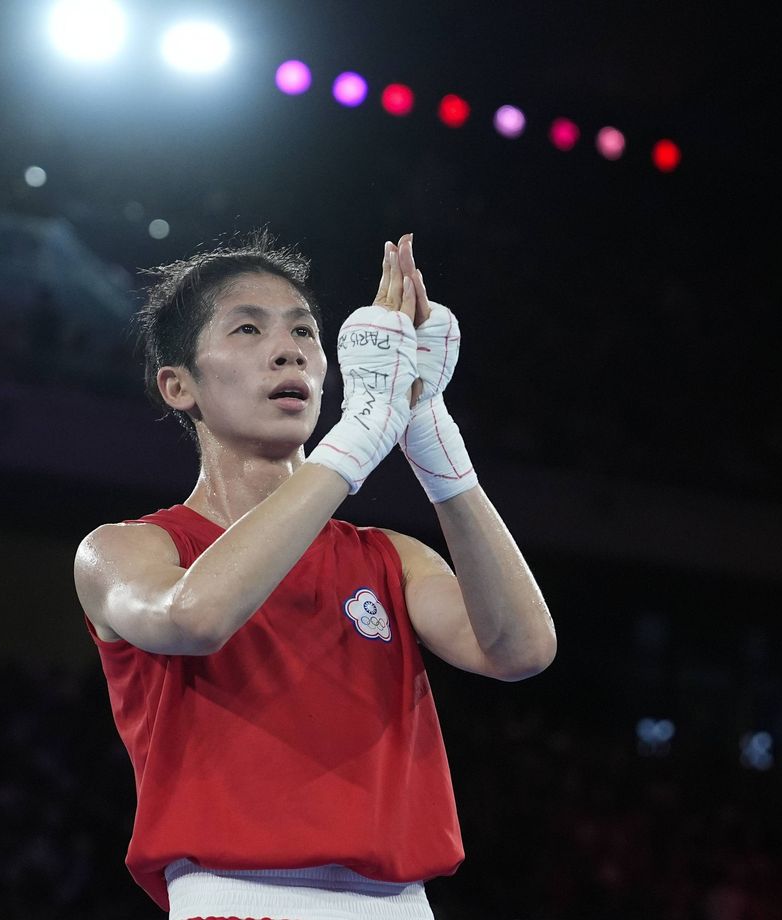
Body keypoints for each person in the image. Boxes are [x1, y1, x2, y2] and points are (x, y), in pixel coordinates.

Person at [73, 230, 556, 920]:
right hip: (240, 903)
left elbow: (520, 651)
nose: (288, 348)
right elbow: (195, 617)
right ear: (179, 385)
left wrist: (430, 434)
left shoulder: (391, 556)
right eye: (247, 328)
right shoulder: (126, 550)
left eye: (305, 331)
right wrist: (361, 433)